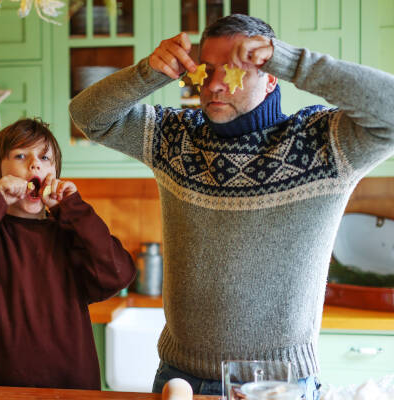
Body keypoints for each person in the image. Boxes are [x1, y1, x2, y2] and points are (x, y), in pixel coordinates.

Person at [69, 13, 394, 399]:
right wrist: (148, 73)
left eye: (237, 69)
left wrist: (292, 61)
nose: (216, 84)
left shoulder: (322, 143)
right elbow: (88, 116)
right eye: (207, 70)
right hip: (179, 379)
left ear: (271, 75)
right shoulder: (175, 137)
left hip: (279, 384)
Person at [0, 118, 136, 389]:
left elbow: (118, 274)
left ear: (55, 171)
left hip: (69, 391)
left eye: (44, 157)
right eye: (21, 155)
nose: (34, 164)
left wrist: (74, 209)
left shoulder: (71, 233)